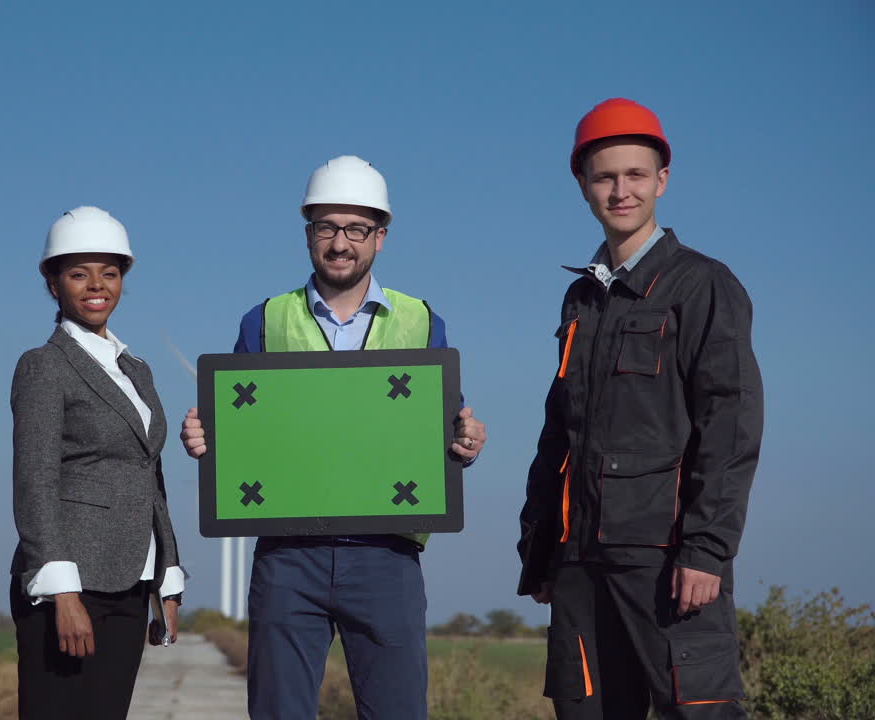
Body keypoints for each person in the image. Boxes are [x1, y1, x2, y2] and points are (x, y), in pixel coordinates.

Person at [179, 156, 487, 720]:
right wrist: (204, 437)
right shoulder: (264, 321)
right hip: (288, 555)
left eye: (356, 229)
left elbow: (440, 430)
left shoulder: (422, 321)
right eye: (327, 227)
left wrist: (465, 439)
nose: (340, 243)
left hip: (387, 555)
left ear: (380, 238)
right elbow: (238, 429)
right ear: (308, 235)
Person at [517, 98, 764, 719]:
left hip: (665, 562)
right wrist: (541, 547)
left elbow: (729, 426)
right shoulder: (581, 297)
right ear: (582, 184)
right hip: (579, 564)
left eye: (635, 175)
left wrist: (706, 550)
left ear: (662, 180)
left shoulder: (702, 285)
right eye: (604, 176)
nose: (620, 190)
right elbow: (560, 433)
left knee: (697, 712)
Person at [10, 206, 185, 720]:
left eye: (109, 273)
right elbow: (35, 480)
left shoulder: (138, 369)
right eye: (78, 273)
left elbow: (150, 477)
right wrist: (62, 591)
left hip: (131, 581)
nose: (96, 285)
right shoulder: (43, 365)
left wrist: (167, 577)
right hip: (71, 585)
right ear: (53, 283)